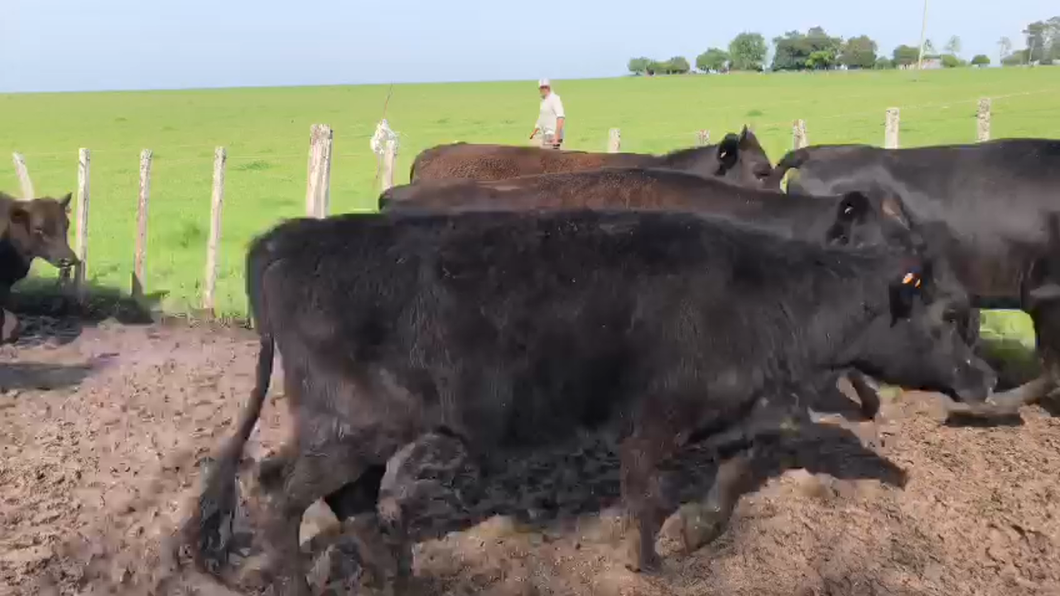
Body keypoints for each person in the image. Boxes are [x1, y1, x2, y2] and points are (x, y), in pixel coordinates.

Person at [529, 78, 565, 150]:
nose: (543, 89)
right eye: (542, 88)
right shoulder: (544, 101)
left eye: (545, 87)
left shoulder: (554, 99)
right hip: (546, 135)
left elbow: (560, 117)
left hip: (552, 135)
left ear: (549, 87)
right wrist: (534, 132)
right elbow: (541, 119)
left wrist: (556, 136)